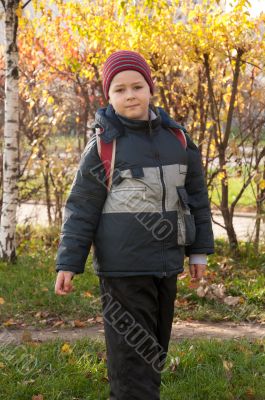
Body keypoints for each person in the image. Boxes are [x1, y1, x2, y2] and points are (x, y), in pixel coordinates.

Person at [54, 50, 214, 400]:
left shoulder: (178, 141)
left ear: (150, 89)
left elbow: (197, 199)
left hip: (166, 264)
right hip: (122, 268)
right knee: (131, 356)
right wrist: (69, 262)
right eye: (120, 89)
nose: (130, 95)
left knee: (154, 350)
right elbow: (81, 207)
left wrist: (198, 252)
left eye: (137, 86)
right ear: (108, 97)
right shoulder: (104, 147)